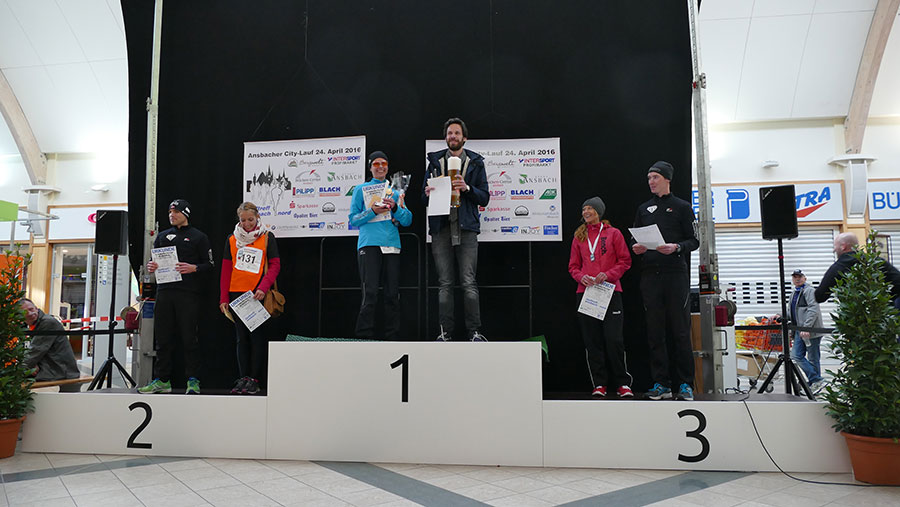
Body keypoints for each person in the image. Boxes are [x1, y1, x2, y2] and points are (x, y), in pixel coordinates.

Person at [631, 161, 699, 401]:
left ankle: (686, 384)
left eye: (655, 177)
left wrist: (677, 247)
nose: (651, 181)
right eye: (649, 178)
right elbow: (635, 239)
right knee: (655, 332)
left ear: (667, 179)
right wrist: (636, 247)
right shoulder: (643, 208)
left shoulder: (682, 207)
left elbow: (694, 240)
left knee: (680, 331)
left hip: (675, 275)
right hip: (650, 275)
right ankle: (661, 383)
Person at [422, 118, 490, 341]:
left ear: (464, 138)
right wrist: (428, 193)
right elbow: (422, 198)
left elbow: (485, 197)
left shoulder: (475, 162)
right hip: (441, 228)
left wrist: (467, 188)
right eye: (449, 133)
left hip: (467, 228)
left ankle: (475, 333)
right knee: (445, 283)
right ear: (445, 137)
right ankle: (445, 333)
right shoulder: (435, 162)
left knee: (469, 282)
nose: (453, 136)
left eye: (457, 133)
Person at [139, 199, 214, 395]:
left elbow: (209, 265)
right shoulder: (162, 236)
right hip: (164, 292)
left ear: (185, 214)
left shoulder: (198, 237)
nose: (172, 215)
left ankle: (193, 380)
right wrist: (152, 266)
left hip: (188, 294)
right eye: (170, 212)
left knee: (189, 338)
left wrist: (194, 268)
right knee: (162, 338)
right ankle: (162, 380)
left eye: (176, 212)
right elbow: (153, 261)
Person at [568, 197, 633, 398]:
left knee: (614, 340)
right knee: (592, 341)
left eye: (590, 208)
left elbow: (625, 261)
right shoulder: (579, 236)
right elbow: (573, 266)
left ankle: (623, 384)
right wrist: (581, 277)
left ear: (599, 212)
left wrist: (609, 274)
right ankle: (599, 384)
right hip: (586, 293)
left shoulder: (613, 233)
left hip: (610, 291)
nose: (586, 212)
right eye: (584, 209)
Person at [349, 151, 413, 340]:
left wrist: (395, 207)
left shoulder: (394, 191)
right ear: (370, 167)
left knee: (392, 293)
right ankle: (364, 336)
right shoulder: (360, 189)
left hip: (391, 245)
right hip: (369, 245)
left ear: (387, 167)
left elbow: (407, 220)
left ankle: (392, 336)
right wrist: (372, 211)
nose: (380, 167)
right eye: (376, 164)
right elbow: (353, 220)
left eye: (384, 163)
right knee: (370, 293)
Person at [219, 202, 280, 394]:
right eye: (243, 220)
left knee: (256, 337)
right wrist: (223, 297)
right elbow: (226, 270)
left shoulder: (267, 237)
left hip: (256, 294)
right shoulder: (232, 239)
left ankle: (254, 378)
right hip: (237, 294)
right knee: (241, 339)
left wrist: (263, 287)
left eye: (250, 220)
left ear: (257, 218)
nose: (247, 224)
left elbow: (275, 265)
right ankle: (243, 377)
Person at [815, 232, 900, 307]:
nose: (834, 250)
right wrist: (886, 300)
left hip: (853, 315)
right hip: (878, 314)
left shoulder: (838, 267)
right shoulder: (876, 261)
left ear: (843, 246)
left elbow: (819, 296)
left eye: (835, 246)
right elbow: (898, 281)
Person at [20, 298, 81, 392]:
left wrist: (18, 371)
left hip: (61, 371)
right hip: (55, 368)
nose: (30, 313)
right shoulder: (36, 324)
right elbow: (35, 352)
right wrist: (33, 364)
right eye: (25, 312)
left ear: (36, 308)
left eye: (31, 309)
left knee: (15, 380)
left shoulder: (47, 323)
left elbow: (35, 350)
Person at [785, 269, 825, 392]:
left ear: (805, 278)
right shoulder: (794, 293)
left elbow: (813, 310)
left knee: (813, 358)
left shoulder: (809, 291)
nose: (797, 279)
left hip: (810, 331)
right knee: (796, 355)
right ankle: (816, 380)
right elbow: (792, 312)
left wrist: (807, 327)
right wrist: (780, 316)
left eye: (800, 276)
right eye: (795, 277)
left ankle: (815, 383)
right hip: (799, 330)